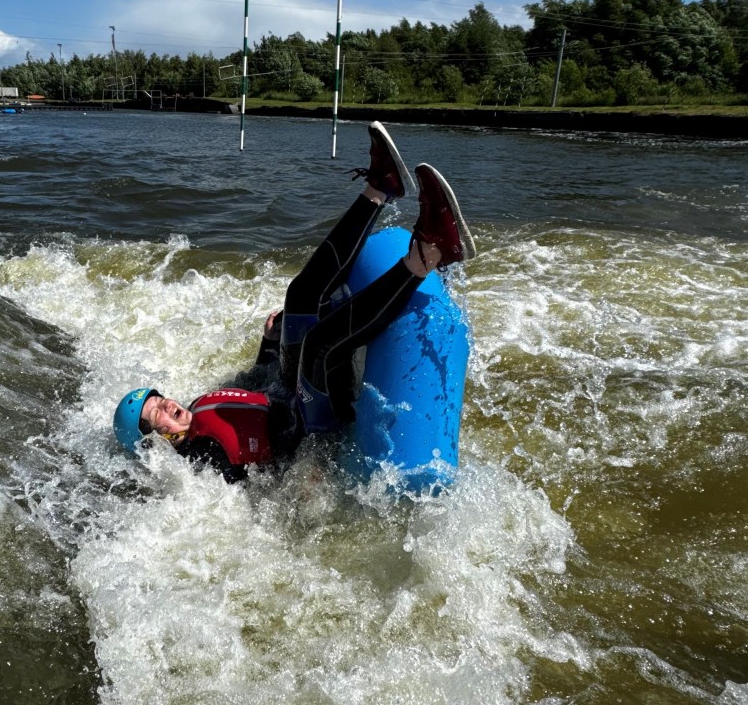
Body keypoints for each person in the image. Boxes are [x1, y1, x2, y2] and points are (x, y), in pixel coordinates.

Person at [113, 121, 476, 483]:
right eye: (156, 412)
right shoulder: (201, 467)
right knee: (318, 345)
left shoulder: (196, 409)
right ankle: (427, 255)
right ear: (155, 443)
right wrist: (304, 476)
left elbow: (252, 386)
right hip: (311, 429)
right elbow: (256, 493)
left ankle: (381, 187)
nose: (167, 405)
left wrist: (268, 345)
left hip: (289, 390)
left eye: (160, 399)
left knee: (299, 296)